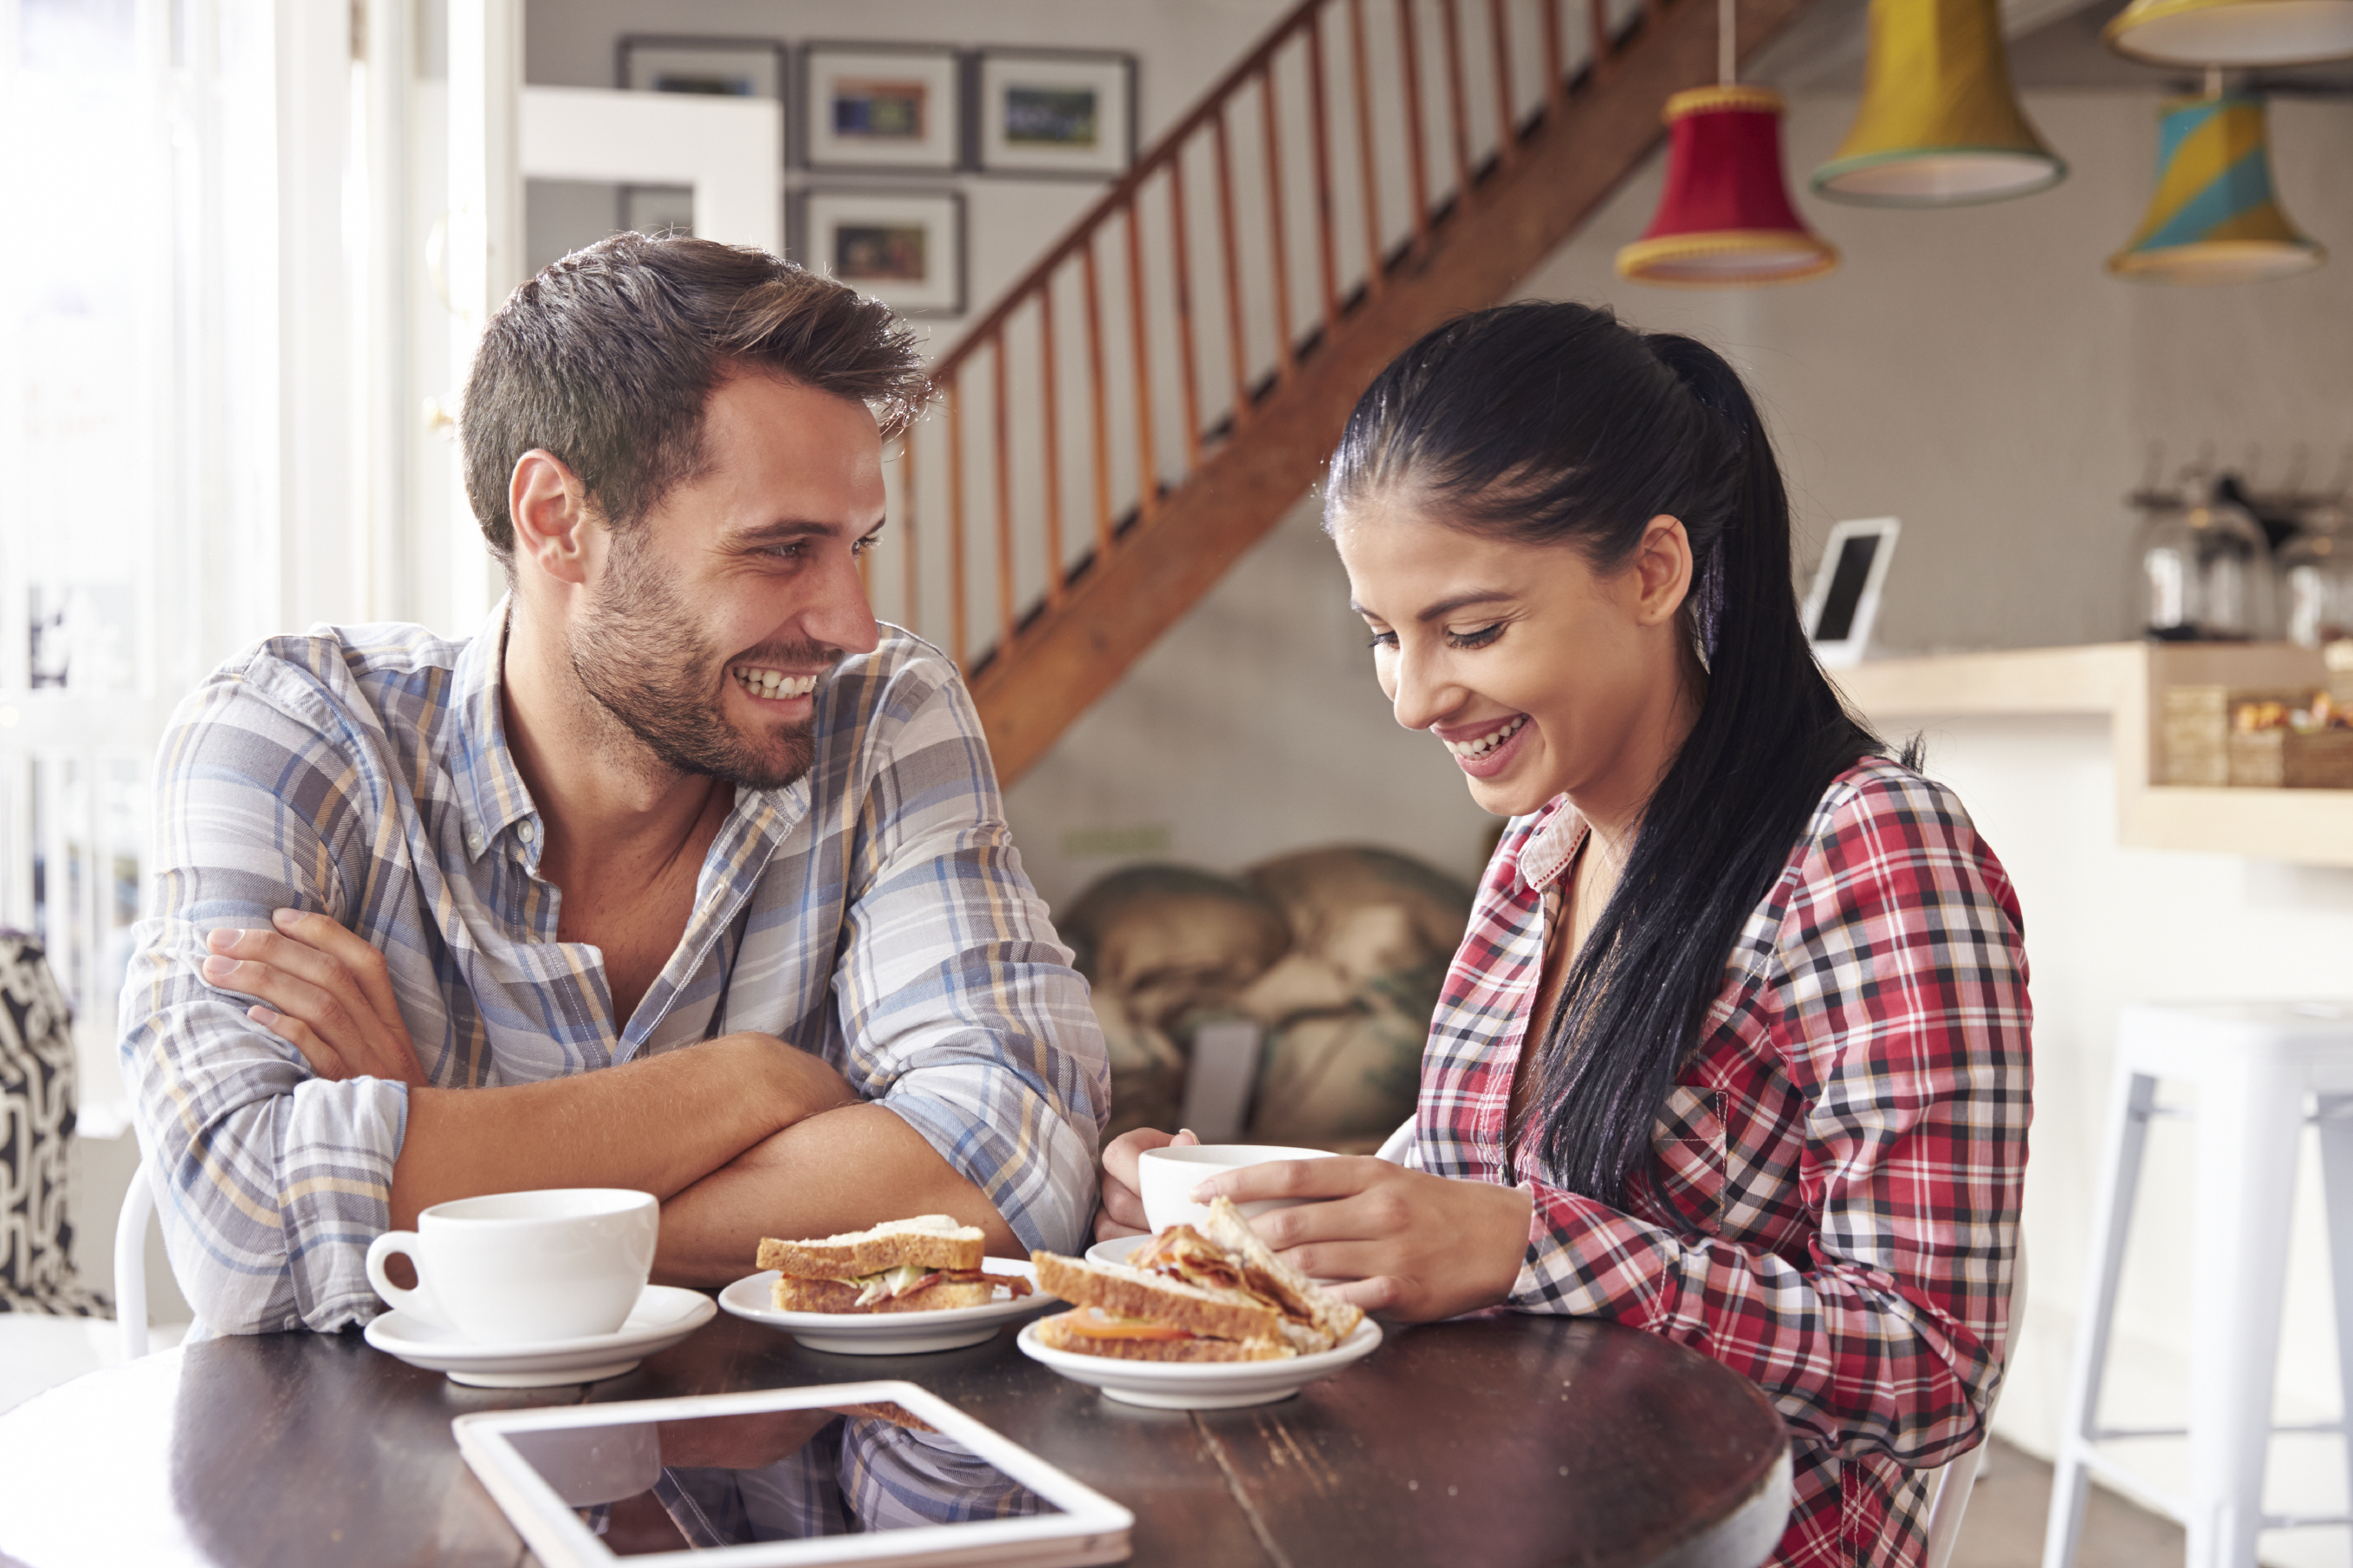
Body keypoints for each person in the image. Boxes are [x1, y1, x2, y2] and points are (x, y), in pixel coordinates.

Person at [1097, 302, 2030, 1567]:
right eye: (1385, 636)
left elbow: (1932, 1366)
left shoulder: (1868, 850)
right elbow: (1446, 1187)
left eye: (1472, 630)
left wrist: (1523, 1243)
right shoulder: (1540, 851)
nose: (1416, 697)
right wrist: (1249, 1221)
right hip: (1497, 1503)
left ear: (1653, 570)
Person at [121, 234, 1108, 1335]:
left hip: (789, 1479)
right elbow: (241, 1230)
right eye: (783, 549)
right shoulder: (298, 735)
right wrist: (748, 1084)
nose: (850, 622)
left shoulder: (882, 714)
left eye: (855, 546)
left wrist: (450, 1153)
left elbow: (1016, 1163)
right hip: (399, 1487)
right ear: (557, 520)